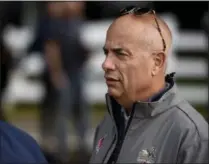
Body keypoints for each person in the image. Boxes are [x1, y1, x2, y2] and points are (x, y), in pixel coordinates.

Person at [89, 6, 208, 164]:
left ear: (156, 63)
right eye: (106, 53)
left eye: (120, 54)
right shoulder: (109, 122)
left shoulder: (191, 136)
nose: (106, 64)